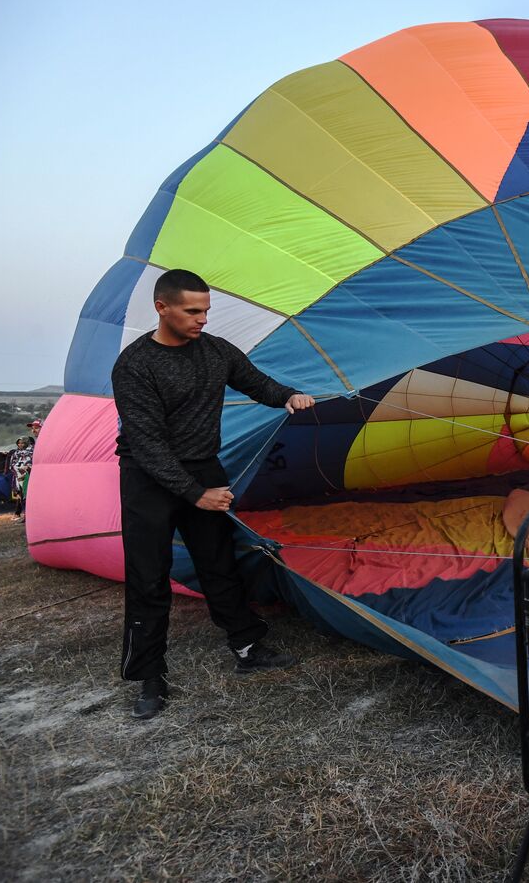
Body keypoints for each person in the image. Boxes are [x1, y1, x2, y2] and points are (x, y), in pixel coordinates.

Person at [112, 268, 316, 719]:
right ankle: (149, 676)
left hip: (202, 466)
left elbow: (256, 381)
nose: (202, 319)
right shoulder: (135, 365)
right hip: (148, 476)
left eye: (206, 310)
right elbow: (147, 444)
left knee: (219, 562)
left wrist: (289, 396)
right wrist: (194, 493)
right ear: (161, 307)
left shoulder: (216, 351)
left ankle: (246, 647)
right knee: (148, 576)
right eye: (192, 310)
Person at [6, 436, 33, 522]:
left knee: (29, 496)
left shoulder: (32, 452)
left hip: (29, 478)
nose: (20, 444)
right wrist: (17, 472)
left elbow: (33, 464)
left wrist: (27, 470)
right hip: (19, 478)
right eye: (19, 443)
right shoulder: (15, 453)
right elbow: (11, 465)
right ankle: (25, 516)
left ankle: (31, 515)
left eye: (22, 443)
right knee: (21, 497)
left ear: (27, 443)